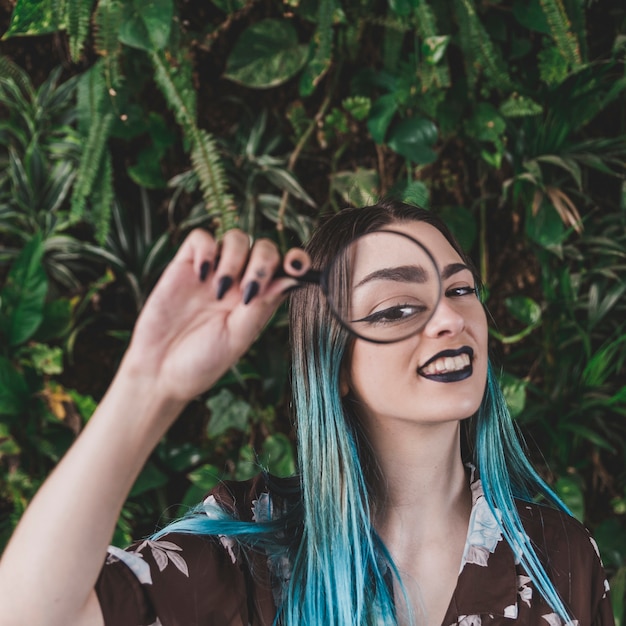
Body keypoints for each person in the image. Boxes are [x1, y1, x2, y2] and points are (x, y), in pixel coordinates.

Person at [0, 200, 613, 626]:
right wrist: (149, 386)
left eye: (459, 289)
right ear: (335, 363)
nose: (450, 318)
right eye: (398, 308)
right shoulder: (251, 545)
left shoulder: (554, 556)